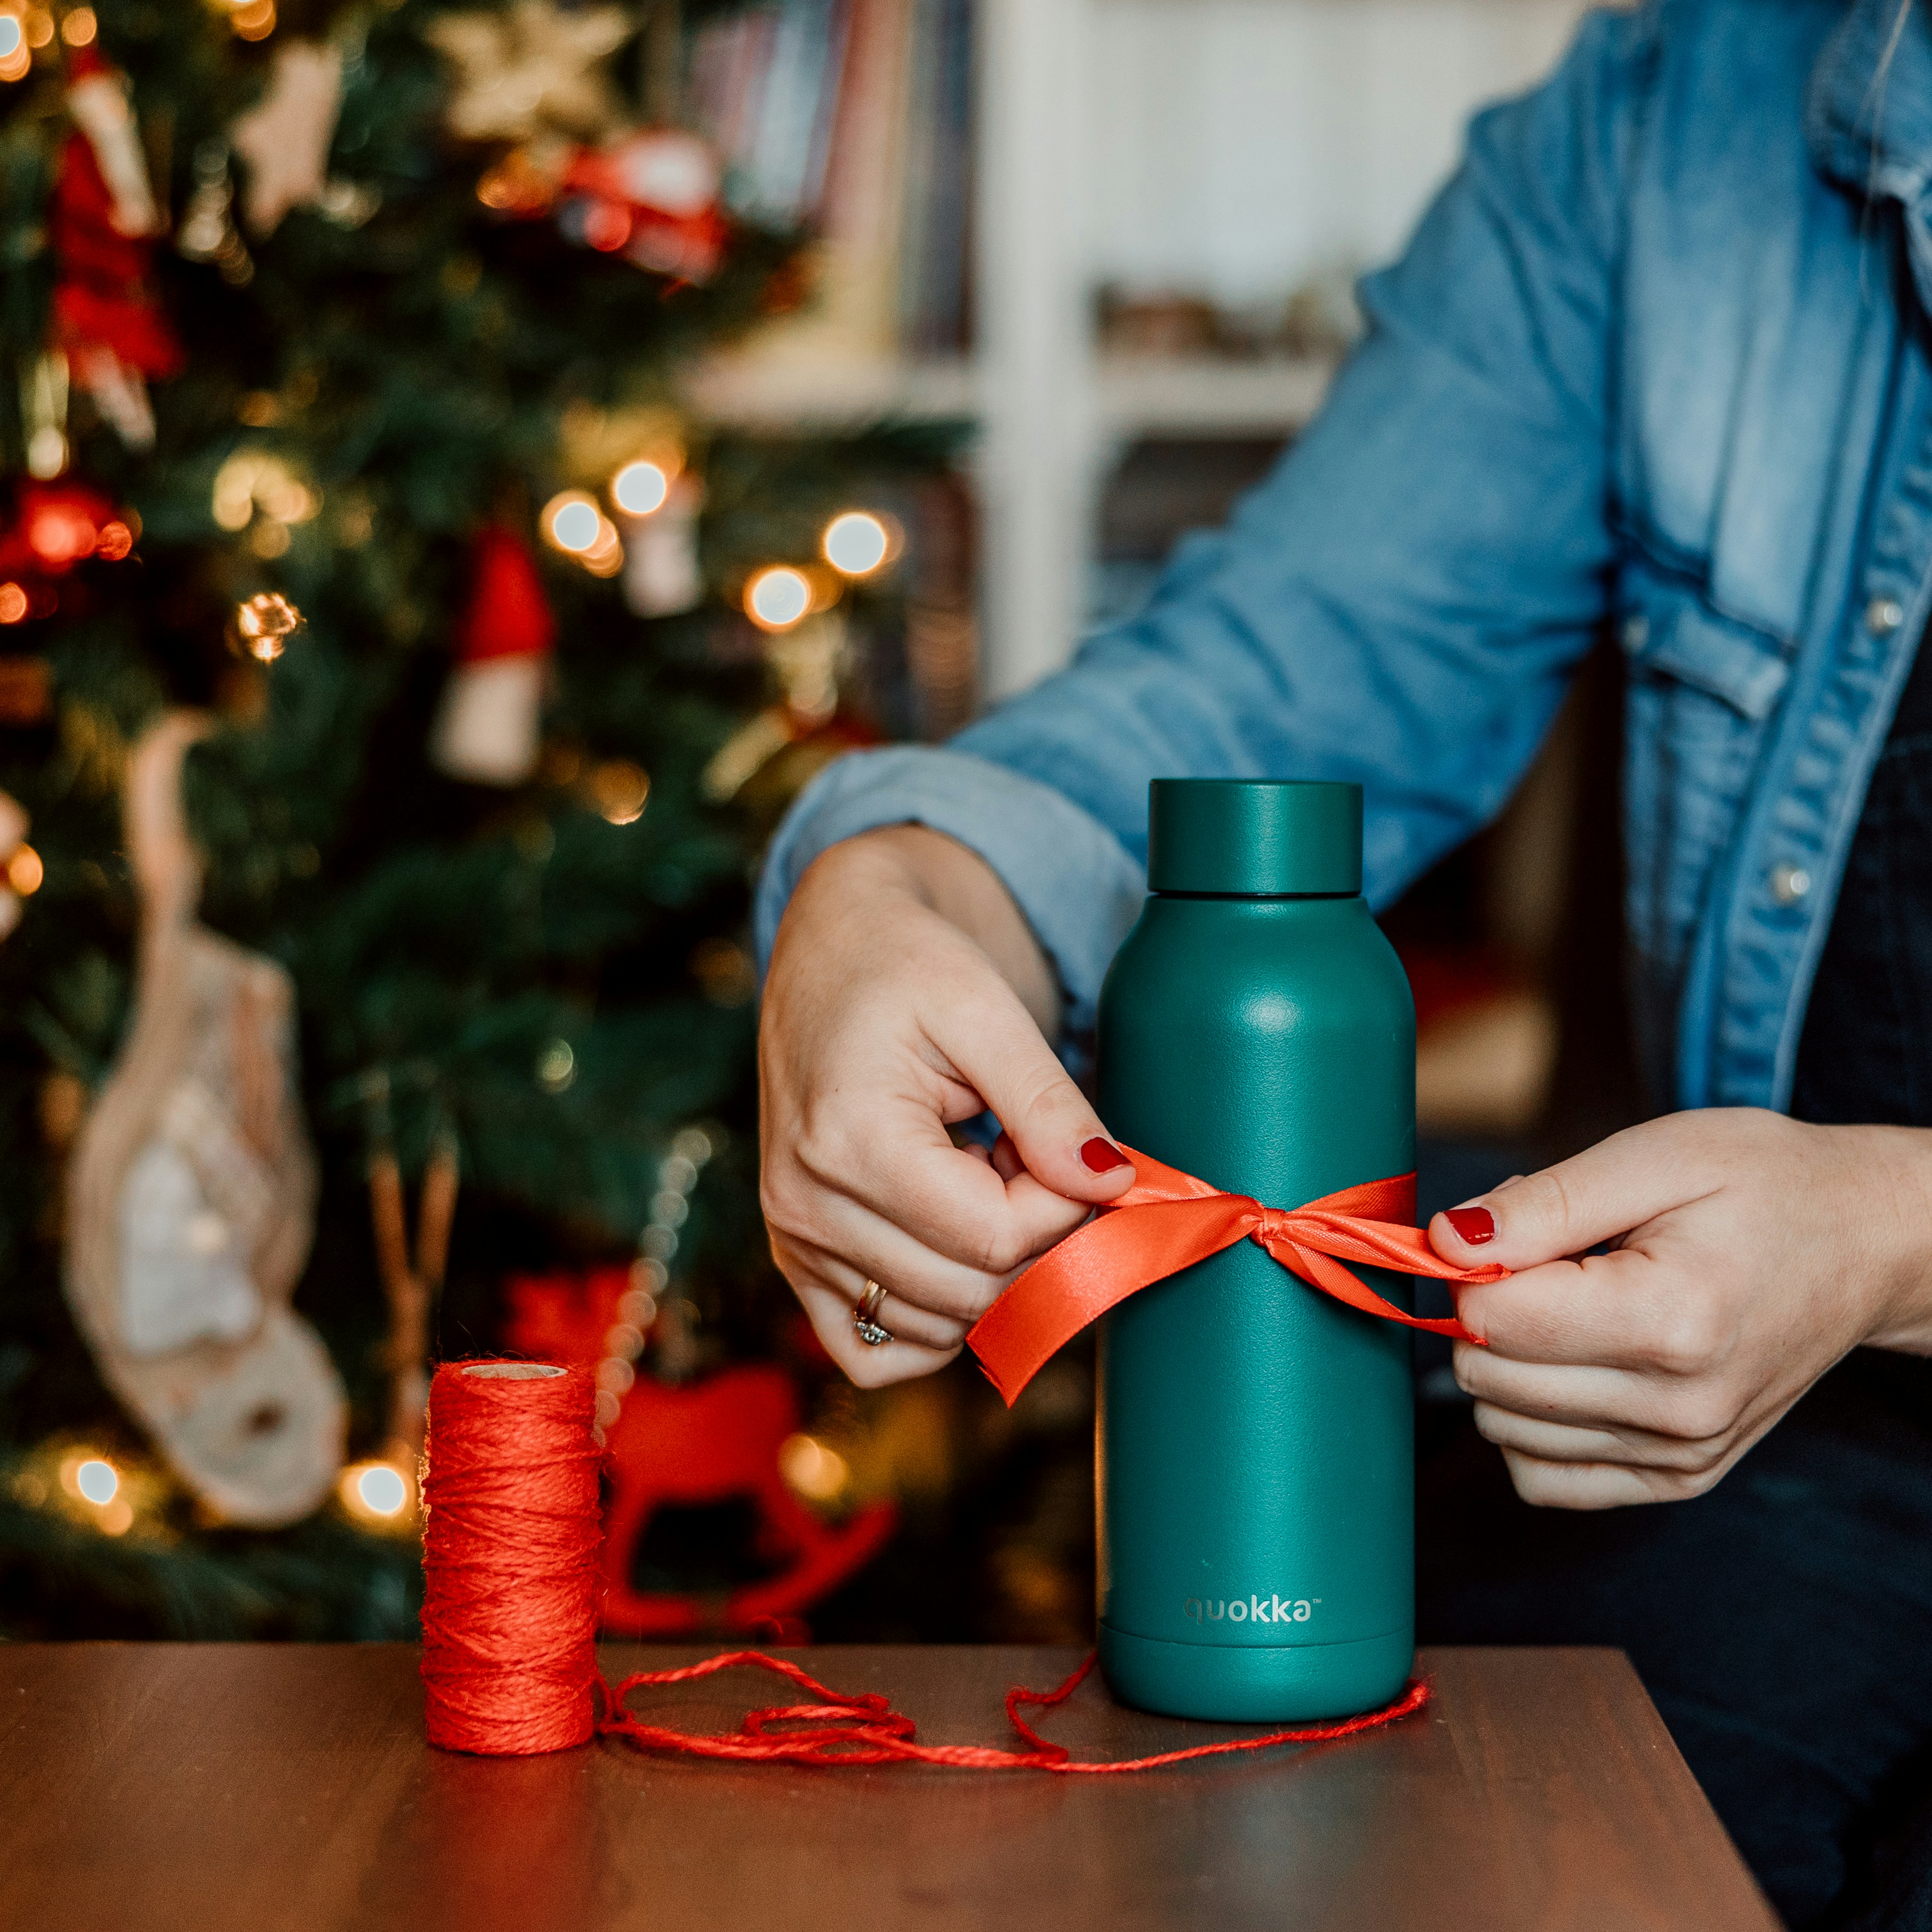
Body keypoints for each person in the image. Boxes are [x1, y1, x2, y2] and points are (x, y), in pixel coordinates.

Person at [753, 1, 1932, 1923]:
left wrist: (1894, 1234)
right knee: (1423, 1846)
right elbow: (1286, 658)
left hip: (1828, 1354)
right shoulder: (1669, 114)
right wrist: (896, 887)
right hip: (1764, 1452)